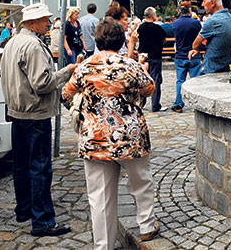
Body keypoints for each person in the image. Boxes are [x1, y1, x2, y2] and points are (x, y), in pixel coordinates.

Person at [61, 18, 159, 250]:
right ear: (120, 40)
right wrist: (143, 70)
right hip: (130, 136)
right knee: (141, 183)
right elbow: (149, 88)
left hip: (95, 139)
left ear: (96, 39)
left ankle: (103, 244)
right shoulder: (129, 65)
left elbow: (65, 96)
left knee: (99, 196)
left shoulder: (85, 66)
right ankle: (146, 227)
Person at [0, 3, 79, 237]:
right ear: (32, 22)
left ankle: (24, 210)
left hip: (18, 112)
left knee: (21, 165)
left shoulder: (12, 43)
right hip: (35, 114)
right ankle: (42, 221)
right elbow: (42, 83)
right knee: (40, 167)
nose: (48, 23)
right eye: (45, 19)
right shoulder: (33, 45)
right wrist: (68, 72)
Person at [188, 0, 231, 74]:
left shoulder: (212, 21)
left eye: (204, 1)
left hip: (212, 70)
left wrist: (197, 49)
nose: (202, 5)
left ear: (212, 3)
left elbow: (195, 45)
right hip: (228, 69)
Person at [171, 5, 202, 113]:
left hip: (180, 55)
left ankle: (178, 104)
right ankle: (198, 104)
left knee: (180, 80)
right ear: (190, 11)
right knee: (196, 81)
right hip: (193, 54)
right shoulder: (196, 23)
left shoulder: (175, 23)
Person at [137, 7, 168, 112]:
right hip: (155, 56)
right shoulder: (157, 28)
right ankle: (155, 105)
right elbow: (164, 39)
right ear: (153, 16)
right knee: (156, 80)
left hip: (143, 57)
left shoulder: (140, 27)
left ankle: (141, 103)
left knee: (142, 80)